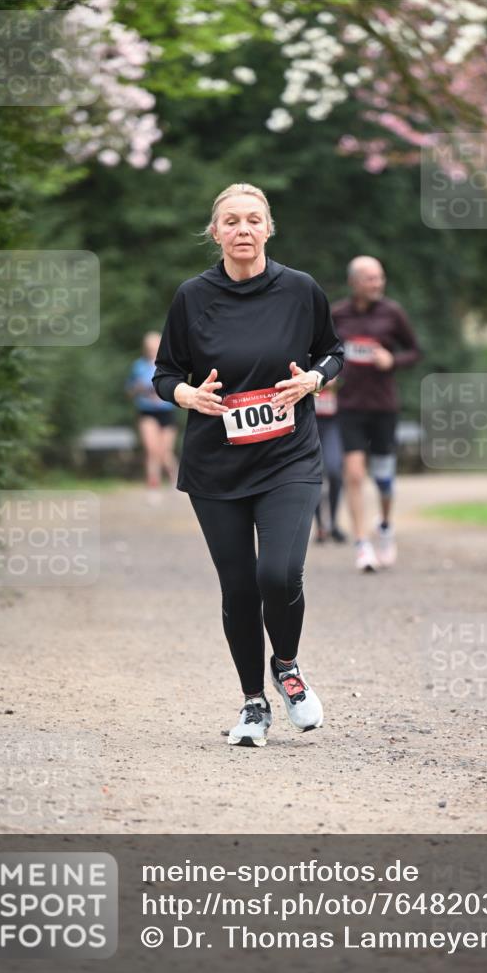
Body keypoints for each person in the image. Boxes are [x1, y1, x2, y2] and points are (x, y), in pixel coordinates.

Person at [152, 183, 344, 747]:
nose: (242, 230)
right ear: (215, 233)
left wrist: (314, 379)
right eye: (231, 221)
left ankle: (286, 667)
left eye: (253, 220)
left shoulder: (301, 290)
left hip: (289, 456)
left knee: (277, 574)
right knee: (238, 588)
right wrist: (187, 396)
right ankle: (252, 704)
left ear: (269, 228)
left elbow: (334, 351)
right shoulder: (192, 296)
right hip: (217, 465)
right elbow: (165, 372)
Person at [332, 256, 421, 572]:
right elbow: (322, 352)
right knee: (353, 474)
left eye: (380, 278)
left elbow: (415, 351)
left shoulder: (392, 313)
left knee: (383, 479)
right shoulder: (337, 315)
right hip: (350, 406)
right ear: (354, 282)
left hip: (384, 407)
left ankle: (384, 526)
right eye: (371, 279)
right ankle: (361, 544)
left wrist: (392, 360)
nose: (378, 284)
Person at [126, 331, 178, 501]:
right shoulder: (138, 366)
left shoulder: (168, 364)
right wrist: (138, 388)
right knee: (151, 450)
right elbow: (130, 390)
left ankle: (175, 481)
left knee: (165, 452)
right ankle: (153, 485)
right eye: (149, 347)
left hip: (166, 411)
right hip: (147, 411)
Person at [313, 381, 346, 543]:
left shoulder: (341, 357)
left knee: (334, 471)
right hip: (312, 421)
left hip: (334, 422)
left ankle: (333, 523)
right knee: (315, 473)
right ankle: (320, 527)